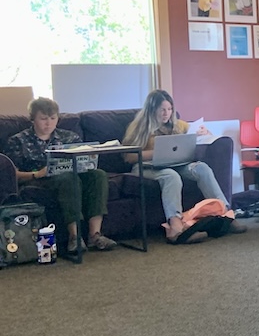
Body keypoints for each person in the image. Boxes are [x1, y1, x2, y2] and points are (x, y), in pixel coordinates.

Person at [123, 89, 246, 244]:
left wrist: (204, 133)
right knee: (171, 176)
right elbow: (128, 157)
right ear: (152, 109)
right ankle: (175, 227)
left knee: (202, 168)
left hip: (176, 164)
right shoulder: (139, 127)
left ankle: (226, 215)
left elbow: (199, 138)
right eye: (162, 110)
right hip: (148, 167)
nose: (166, 113)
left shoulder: (178, 125)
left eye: (169, 109)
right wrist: (157, 153)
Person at [4, 97, 117, 252]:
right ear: (33, 119)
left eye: (53, 118)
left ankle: (94, 235)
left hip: (72, 174)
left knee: (98, 175)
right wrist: (36, 174)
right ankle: (74, 237)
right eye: (43, 119)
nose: (48, 123)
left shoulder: (69, 137)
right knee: (68, 178)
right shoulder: (18, 141)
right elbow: (10, 175)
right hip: (39, 180)